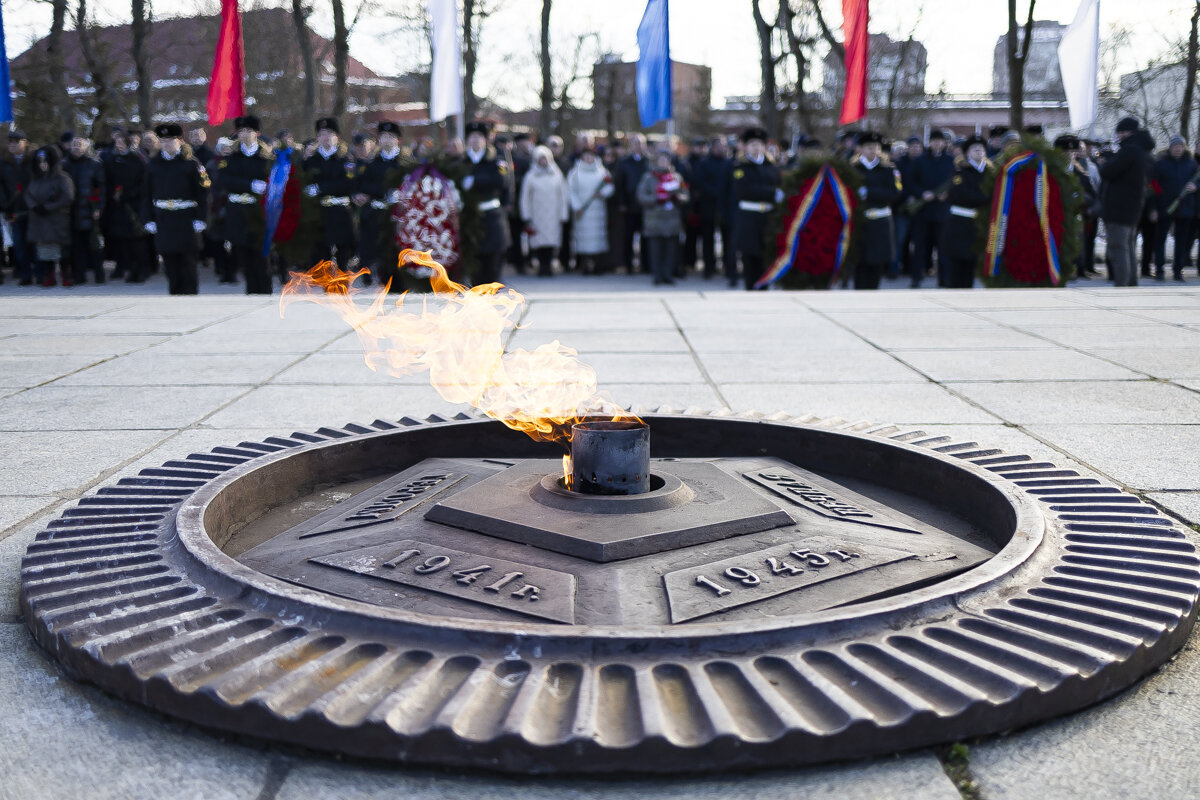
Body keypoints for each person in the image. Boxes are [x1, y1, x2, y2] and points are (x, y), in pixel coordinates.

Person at [142, 122, 210, 295]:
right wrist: (148, 219)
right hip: (164, 217)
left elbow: (204, 192)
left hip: (186, 216)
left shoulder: (192, 163)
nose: (166, 144)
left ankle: (190, 296)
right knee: (169, 260)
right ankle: (174, 295)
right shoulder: (153, 164)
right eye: (163, 141)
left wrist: (201, 218)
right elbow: (146, 194)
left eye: (170, 140)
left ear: (180, 141)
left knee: (188, 261)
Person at [217, 115, 274, 293]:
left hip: (258, 211)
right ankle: (251, 290)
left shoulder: (266, 157)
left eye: (248, 131)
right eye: (241, 131)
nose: (244, 135)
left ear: (257, 133)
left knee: (261, 254)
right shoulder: (230, 157)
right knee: (243, 253)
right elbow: (223, 179)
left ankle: (264, 291)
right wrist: (249, 185)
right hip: (237, 210)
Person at [1098, 117, 1151, 287]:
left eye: (1121, 132)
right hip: (1132, 207)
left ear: (1129, 132)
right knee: (1128, 247)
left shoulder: (1130, 151)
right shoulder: (1142, 151)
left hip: (1120, 207)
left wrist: (1104, 163)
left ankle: (1122, 285)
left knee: (1118, 248)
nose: (1119, 136)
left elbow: (1109, 172)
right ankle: (1131, 282)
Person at [458, 120, 512, 285]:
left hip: (492, 217)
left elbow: (502, 180)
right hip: (468, 217)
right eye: (472, 136)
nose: (475, 140)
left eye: (479, 136)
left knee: (492, 264)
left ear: (486, 139)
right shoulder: (461, 162)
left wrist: (475, 180)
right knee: (474, 265)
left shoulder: (497, 160)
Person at [355, 121, 407, 286]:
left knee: (396, 251)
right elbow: (363, 185)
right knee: (374, 249)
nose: (387, 140)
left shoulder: (406, 163)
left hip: (399, 214)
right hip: (376, 212)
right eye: (383, 136)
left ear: (398, 140)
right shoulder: (372, 164)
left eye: (391, 137)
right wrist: (379, 191)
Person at [303, 117, 358, 271]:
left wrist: (321, 188)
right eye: (321, 134)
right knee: (320, 252)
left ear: (337, 137)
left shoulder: (346, 159)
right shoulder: (311, 160)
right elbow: (305, 181)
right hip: (319, 212)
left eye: (329, 133)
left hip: (340, 209)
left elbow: (348, 184)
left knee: (343, 251)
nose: (325, 137)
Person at [730, 126, 781, 290]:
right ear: (745, 147)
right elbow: (745, 190)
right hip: (749, 218)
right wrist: (773, 193)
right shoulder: (740, 166)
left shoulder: (771, 166)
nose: (756, 147)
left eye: (759, 144)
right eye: (752, 144)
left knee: (766, 255)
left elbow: (779, 183)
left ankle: (764, 287)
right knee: (750, 256)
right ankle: (750, 288)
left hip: (768, 217)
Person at [941, 134, 993, 289]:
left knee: (972, 262)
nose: (978, 151)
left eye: (981, 148)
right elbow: (962, 195)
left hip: (980, 224)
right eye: (974, 149)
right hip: (960, 223)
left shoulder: (990, 173)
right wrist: (987, 198)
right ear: (967, 153)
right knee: (957, 264)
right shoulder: (960, 171)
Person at [852, 131, 902, 290]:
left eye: (875, 147)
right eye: (868, 147)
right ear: (860, 149)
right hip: (860, 220)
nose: (872, 150)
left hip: (880, 221)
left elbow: (895, 193)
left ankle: (873, 290)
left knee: (876, 260)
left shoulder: (889, 170)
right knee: (860, 260)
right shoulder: (853, 169)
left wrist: (869, 192)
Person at [24, 146, 75, 286]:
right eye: (40, 162)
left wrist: (48, 207)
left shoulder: (62, 178)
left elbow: (67, 197)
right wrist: (34, 206)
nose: (42, 165)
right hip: (39, 219)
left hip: (57, 219)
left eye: (45, 162)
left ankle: (66, 275)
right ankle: (49, 276)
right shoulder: (36, 178)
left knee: (62, 250)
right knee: (44, 251)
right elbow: (28, 194)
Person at [637, 150, 689, 286]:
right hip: (654, 219)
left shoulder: (676, 177)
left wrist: (677, 197)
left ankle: (668, 274)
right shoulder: (648, 178)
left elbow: (685, 195)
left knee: (671, 250)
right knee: (656, 250)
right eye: (660, 160)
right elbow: (641, 196)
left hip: (672, 219)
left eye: (666, 160)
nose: (663, 163)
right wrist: (657, 198)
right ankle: (657, 275)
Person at [101, 129, 147, 282]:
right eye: (117, 143)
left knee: (135, 240)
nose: (119, 146)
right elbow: (106, 180)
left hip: (133, 205)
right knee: (119, 239)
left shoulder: (137, 160)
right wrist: (113, 194)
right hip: (116, 205)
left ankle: (139, 269)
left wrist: (128, 194)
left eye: (121, 143)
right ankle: (121, 267)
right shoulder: (111, 160)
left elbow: (143, 183)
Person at [910, 129, 954, 287]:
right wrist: (922, 193)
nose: (937, 144)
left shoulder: (951, 161)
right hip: (923, 211)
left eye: (940, 141)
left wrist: (947, 194)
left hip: (942, 211)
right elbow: (911, 182)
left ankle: (944, 278)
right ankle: (916, 277)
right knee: (919, 246)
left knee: (942, 247)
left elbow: (955, 182)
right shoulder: (920, 161)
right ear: (930, 142)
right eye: (934, 141)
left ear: (944, 143)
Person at [1151, 135, 1197, 282]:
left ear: (1184, 148)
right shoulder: (1161, 164)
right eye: (1175, 146)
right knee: (1160, 239)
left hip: (1185, 207)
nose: (1178, 149)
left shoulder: (1191, 164)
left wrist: (1195, 187)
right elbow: (1153, 186)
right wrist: (1154, 207)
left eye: (1180, 146)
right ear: (1170, 148)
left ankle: (1178, 270)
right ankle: (1159, 269)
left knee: (1182, 241)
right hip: (1165, 207)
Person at [62, 134, 106, 284]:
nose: (77, 147)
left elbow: (100, 187)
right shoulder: (64, 164)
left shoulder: (94, 164)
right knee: (76, 246)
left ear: (86, 147)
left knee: (95, 245)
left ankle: (100, 276)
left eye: (80, 144)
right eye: (74, 144)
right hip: (71, 211)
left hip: (90, 209)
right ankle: (78, 276)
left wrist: (98, 207)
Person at [520, 145, 568, 277]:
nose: (543, 162)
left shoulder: (557, 175)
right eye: (540, 159)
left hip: (553, 213)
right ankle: (541, 266)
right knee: (538, 240)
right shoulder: (530, 176)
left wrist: (563, 213)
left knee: (551, 241)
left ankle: (550, 265)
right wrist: (526, 214)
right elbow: (525, 197)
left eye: (545, 159)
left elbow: (563, 195)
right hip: (537, 213)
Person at [566, 148, 614, 275]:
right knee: (584, 238)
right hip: (582, 211)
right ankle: (585, 265)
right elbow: (571, 191)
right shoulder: (575, 173)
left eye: (590, 156)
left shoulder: (601, 171)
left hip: (597, 210)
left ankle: (597, 265)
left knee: (597, 238)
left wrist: (602, 193)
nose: (588, 159)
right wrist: (577, 206)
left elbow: (610, 186)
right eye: (586, 156)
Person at [694, 137, 731, 280]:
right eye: (720, 146)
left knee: (726, 239)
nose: (723, 148)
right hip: (708, 206)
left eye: (724, 145)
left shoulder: (729, 163)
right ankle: (709, 267)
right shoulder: (704, 163)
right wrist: (714, 192)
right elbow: (699, 182)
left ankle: (728, 267)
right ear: (713, 147)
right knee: (707, 239)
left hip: (724, 208)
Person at [614, 133, 650, 273]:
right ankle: (628, 265)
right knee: (628, 237)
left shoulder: (648, 161)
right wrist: (621, 202)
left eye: (641, 143)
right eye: (635, 143)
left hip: (645, 206)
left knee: (645, 238)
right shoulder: (624, 162)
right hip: (629, 205)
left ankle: (645, 265)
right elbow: (620, 184)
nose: (638, 146)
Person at [2, 130, 34, 284]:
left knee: (34, 243)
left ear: (25, 143)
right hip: (13, 209)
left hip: (32, 208)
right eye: (11, 142)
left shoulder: (33, 160)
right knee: (19, 244)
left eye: (17, 141)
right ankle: (25, 274)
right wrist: (5, 205)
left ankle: (40, 273)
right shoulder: (4, 162)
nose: (13, 144)